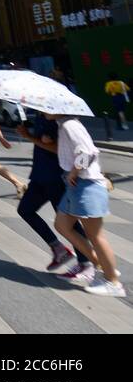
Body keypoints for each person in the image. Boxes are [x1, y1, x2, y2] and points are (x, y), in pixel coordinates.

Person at [50, 113, 124, 296]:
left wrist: (74, 172)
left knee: (96, 235)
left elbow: (88, 151)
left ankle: (113, 284)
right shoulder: (64, 124)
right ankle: (103, 265)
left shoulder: (69, 125)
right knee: (61, 224)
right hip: (76, 185)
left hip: (87, 184)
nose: (41, 110)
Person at [17, 110, 91, 280]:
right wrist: (29, 131)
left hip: (57, 178)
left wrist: (30, 137)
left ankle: (86, 264)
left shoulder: (63, 122)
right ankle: (59, 250)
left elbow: (67, 150)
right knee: (25, 210)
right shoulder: (42, 116)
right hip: (40, 175)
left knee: (69, 223)